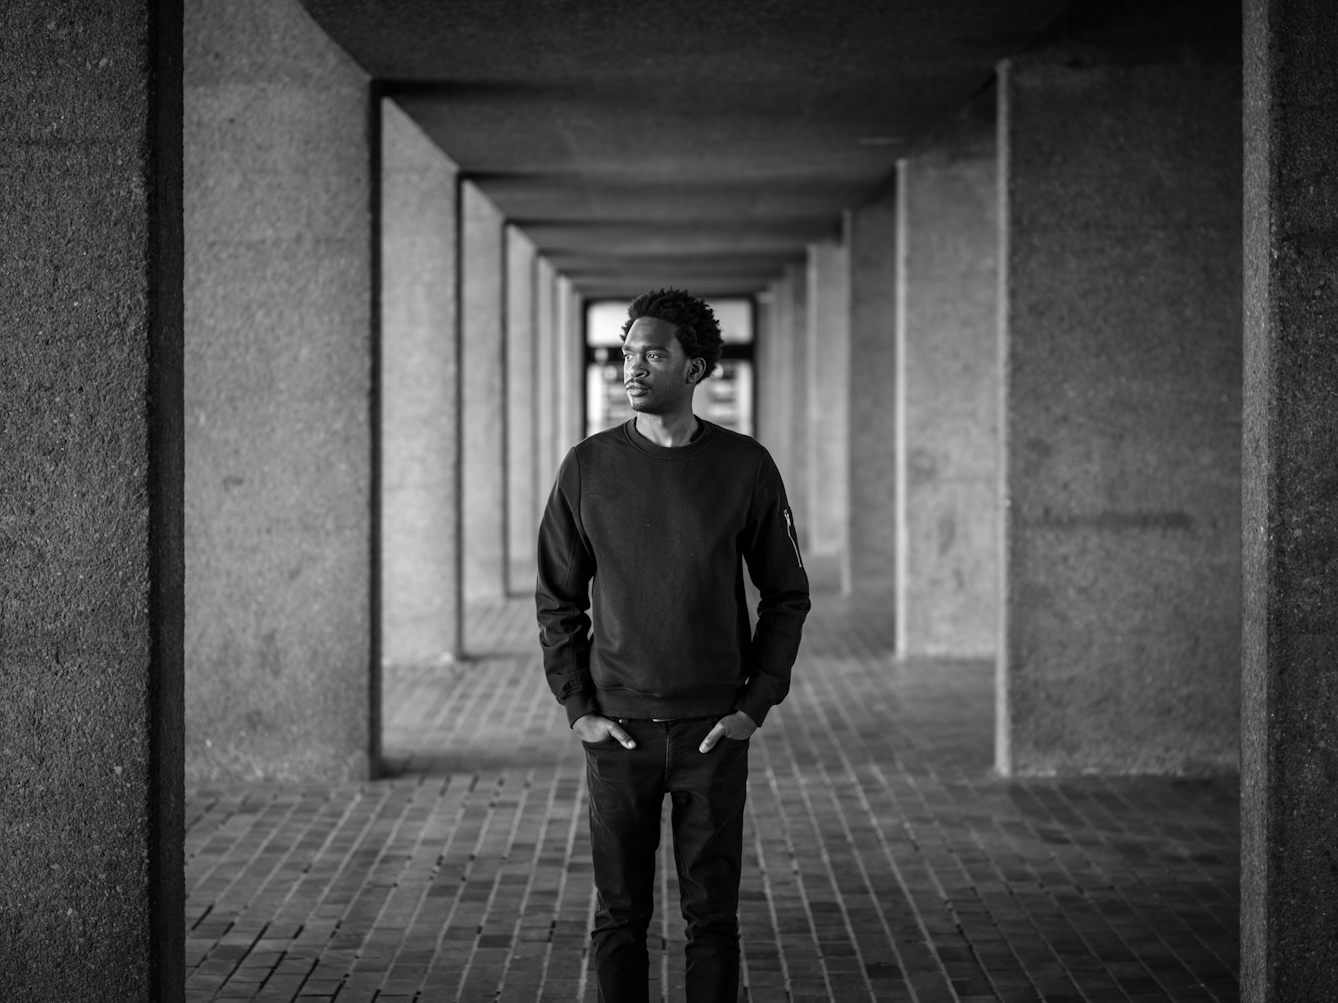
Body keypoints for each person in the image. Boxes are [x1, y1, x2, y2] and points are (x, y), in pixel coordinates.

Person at [535, 288, 810, 1003]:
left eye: (653, 353)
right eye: (627, 352)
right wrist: (579, 707)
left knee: (712, 919)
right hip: (617, 730)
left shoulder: (745, 467)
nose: (633, 366)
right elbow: (557, 598)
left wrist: (755, 702)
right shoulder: (587, 468)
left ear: (696, 368)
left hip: (712, 732)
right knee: (620, 917)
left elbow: (786, 592)